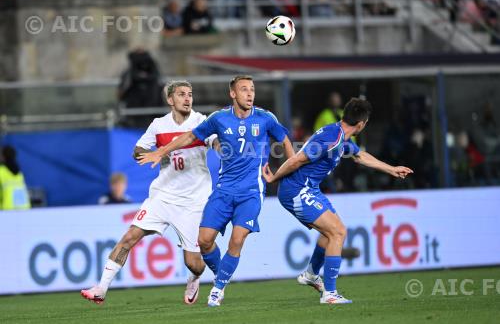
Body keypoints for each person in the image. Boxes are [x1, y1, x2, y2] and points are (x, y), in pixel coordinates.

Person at [138, 75, 294, 307]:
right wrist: (161, 152)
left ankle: (218, 289)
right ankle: (218, 276)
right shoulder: (219, 119)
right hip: (223, 190)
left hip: (251, 191)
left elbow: (286, 143)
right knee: (204, 241)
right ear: (233, 94)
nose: (250, 94)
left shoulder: (265, 118)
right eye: (244, 90)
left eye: (252, 89)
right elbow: (190, 136)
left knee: (237, 238)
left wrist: (288, 173)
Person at [262, 98, 413, 304]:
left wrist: (391, 168)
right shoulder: (331, 139)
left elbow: (360, 156)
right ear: (362, 124)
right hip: (295, 190)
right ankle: (330, 294)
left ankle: (311, 274)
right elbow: (298, 159)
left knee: (331, 232)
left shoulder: (341, 137)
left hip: (309, 189)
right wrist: (274, 178)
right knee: (338, 232)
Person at [81, 80, 216, 305]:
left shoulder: (201, 122)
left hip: (193, 201)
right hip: (162, 196)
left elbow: (217, 143)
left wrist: (224, 146)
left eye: (190, 94)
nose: (187, 98)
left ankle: (194, 278)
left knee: (194, 262)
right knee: (129, 237)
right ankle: (101, 288)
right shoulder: (158, 125)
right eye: (181, 94)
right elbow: (138, 150)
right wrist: (154, 153)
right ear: (170, 100)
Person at [0, 146, 31, 210]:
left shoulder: (1, 171)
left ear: (3, 157)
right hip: (24, 207)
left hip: (7, 208)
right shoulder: (19, 173)